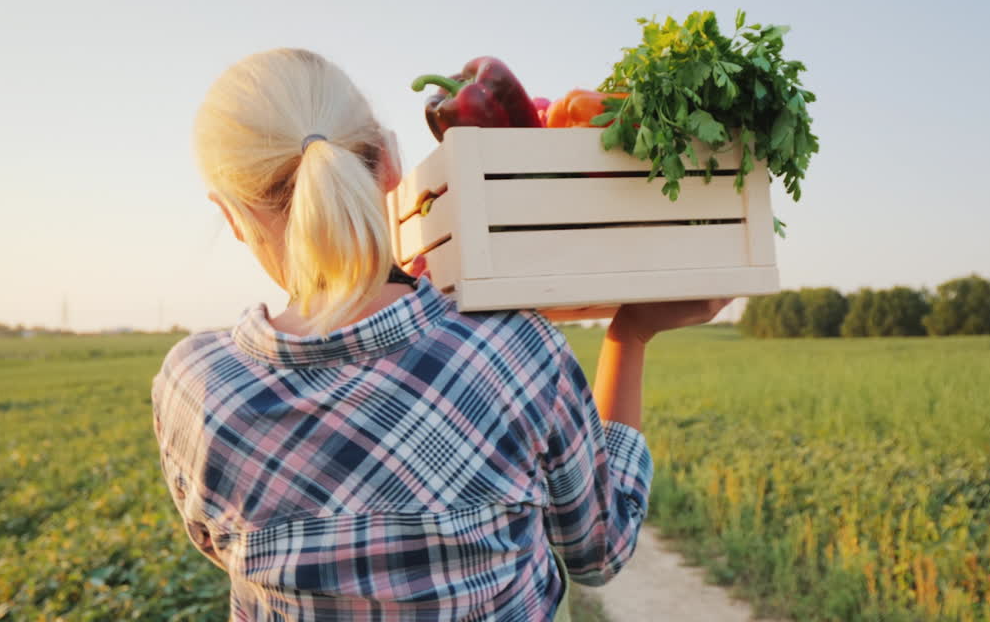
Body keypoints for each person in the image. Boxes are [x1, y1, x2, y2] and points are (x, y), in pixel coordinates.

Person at [151, 48, 729, 621]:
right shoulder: (516, 350)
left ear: (231, 215)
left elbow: (223, 546)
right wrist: (629, 336)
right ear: (391, 161)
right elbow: (599, 552)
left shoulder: (196, 388)